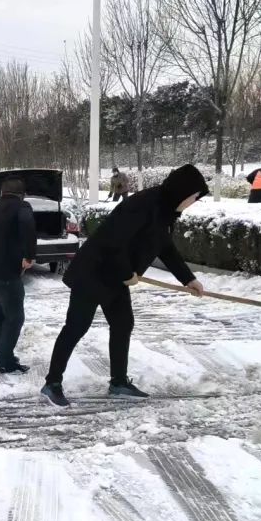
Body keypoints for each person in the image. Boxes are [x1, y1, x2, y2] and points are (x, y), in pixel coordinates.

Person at [41, 164, 209, 407]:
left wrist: (188, 279)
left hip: (116, 277)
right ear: (182, 191)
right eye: (194, 197)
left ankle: (118, 382)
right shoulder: (143, 204)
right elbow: (112, 241)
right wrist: (127, 272)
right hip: (93, 272)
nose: (193, 202)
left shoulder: (165, 211)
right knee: (76, 327)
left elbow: (165, 247)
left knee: (123, 324)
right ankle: (52, 383)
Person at [0, 176, 37, 374]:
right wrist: (29, 255)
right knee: (15, 317)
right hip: (6, 274)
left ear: (1, 193)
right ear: (22, 194)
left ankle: (1, 354)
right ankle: (4, 361)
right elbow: (27, 225)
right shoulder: (21, 207)